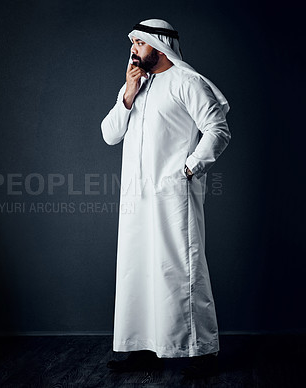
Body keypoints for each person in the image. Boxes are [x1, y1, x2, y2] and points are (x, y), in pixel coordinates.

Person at [100, 19, 231, 377]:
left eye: (139, 44)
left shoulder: (186, 82)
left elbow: (217, 130)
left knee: (179, 270)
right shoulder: (136, 85)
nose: (133, 51)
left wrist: (188, 170)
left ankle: (199, 352)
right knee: (136, 270)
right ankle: (142, 347)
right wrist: (127, 93)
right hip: (136, 199)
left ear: (159, 46)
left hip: (173, 196)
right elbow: (110, 134)